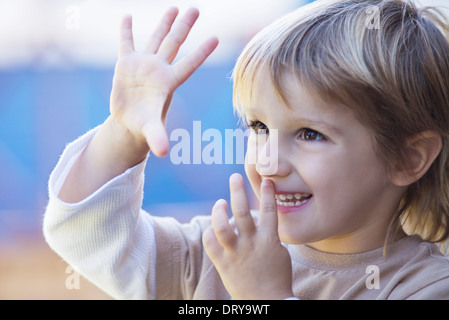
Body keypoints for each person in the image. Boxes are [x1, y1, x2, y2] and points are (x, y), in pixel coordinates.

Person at [43, 0, 449, 300]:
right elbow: (88, 234)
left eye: (309, 134)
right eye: (258, 127)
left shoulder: (425, 287)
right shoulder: (220, 249)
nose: (268, 162)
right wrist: (122, 134)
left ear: (407, 158)